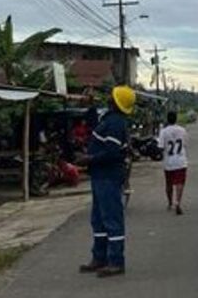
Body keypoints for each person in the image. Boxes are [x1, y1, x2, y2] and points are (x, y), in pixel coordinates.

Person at [76, 86, 135, 277]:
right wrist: (91, 107)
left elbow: (111, 152)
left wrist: (89, 159)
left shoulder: (116, 123)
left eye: (112, 96)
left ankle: (116, 261)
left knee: (111, 219)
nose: (108, 97)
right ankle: (99, 257)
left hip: (108, 176)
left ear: (116, 102)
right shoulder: (108, 120)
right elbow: (95, 129)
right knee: (99, 220)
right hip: (100, 175)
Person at [157, 111, 188, 215]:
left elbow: (160, 147)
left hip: (169, 162)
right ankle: (177, 202)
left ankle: (170, 202)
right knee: (180, 182)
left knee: (169, 183)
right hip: (180, 161)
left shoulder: (164, 131)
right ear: (176, 119)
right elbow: (185, 144)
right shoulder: (182, 130)